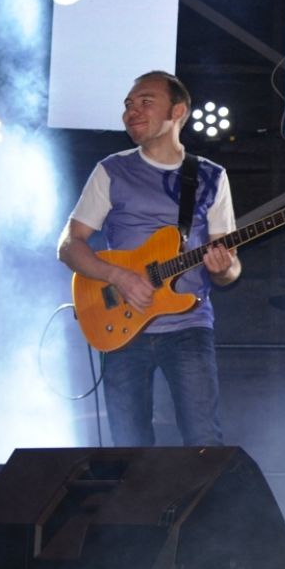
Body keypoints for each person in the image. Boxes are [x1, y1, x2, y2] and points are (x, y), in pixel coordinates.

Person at [58, 71, 240, 447]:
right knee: (129, 448)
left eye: (145, 102)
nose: (132, 111)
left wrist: (224, 269)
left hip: (189, 325)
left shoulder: (211, 176)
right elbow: (69, 245)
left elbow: (230, 266)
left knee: (204, 443)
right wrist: (119, 277)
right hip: (120, 328)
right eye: (128, 104)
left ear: (178, 111)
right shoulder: (112, 170)